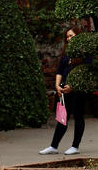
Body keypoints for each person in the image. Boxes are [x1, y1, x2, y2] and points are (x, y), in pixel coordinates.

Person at [39, 27, 87, 156]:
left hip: (78, 90)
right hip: (63, 91)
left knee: (78, 117)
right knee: (62, 118)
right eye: (67, 37)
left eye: (71, 36)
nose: (69, 38)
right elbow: (60, 70)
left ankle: (75, 146)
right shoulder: (66, 53)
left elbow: (86, 72)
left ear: (78, 36)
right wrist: (57, 86)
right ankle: (53, 146)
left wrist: (73, 86)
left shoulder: (85, 53)